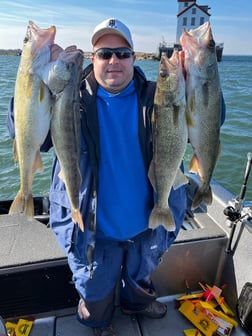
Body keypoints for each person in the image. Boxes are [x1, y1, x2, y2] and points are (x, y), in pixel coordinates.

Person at [7, 18, 225, 336]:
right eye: (104, 53)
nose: (113, 60)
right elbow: (30, 136)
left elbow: (208, 123)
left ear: (134, 58)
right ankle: (97, 320)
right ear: (92, 58)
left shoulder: (160, 95)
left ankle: (136, 304)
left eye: (122, 53)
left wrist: (198, 80)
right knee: (94, 291)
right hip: (92, 231)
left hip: (149, 226)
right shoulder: (68, 98)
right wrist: (34, 80)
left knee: (142, 279)